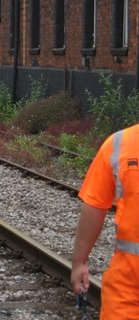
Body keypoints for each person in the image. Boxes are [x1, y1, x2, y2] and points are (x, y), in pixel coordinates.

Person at [71, 123, 139, 318]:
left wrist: (79, 262)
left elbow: (94, 207)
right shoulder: (118, 144)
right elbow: (94, 207)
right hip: (128, 288)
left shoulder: (120, 144)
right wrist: (78, 262)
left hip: (128, 289)